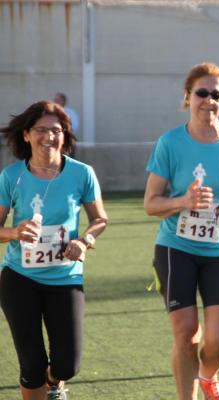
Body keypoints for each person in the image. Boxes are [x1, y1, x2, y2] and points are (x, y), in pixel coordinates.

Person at [144, 62, 219, 400]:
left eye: (216, 94)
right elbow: (151, 203)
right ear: (187, 96)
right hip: (177, 247)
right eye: (202, 93)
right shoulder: (170, 142)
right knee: (186, 332)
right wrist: (183, 201)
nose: (209, 100)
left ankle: (208, 376)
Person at [0, 101, 108, 400]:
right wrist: (13, 232)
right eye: (41, 130)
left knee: (67, 364)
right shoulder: (12, 177)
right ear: (26, 135)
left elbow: (99, 219)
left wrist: (84, 240)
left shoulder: (82, 173)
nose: (49, 136)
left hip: (65, 278)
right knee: (31, 364)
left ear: (65, 135)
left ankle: (55, 382)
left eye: (56, 130)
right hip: (20, 278)